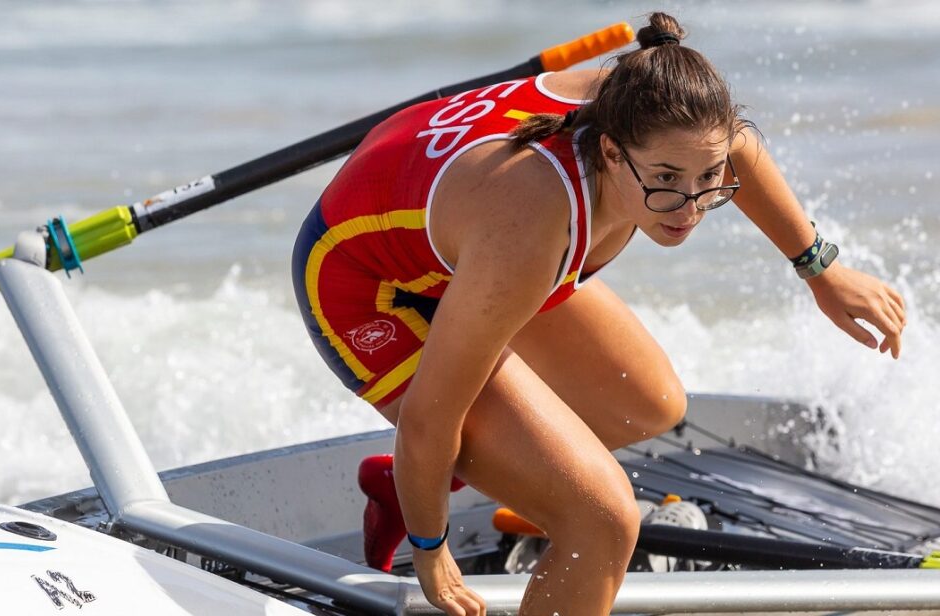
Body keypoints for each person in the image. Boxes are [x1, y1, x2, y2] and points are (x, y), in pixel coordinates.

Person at [292, 12, 906, 616]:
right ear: (610, 152)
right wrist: (430, 547)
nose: (689, 208)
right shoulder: (531, 230)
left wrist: (820, 269)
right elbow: (428, 422)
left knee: (647, 404)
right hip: (367, 281)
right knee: (603, 520)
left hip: (462, 235)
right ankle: (437, 487)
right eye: (666, 179)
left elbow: (735, 143)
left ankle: (416, 480)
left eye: (707, 179)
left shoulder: (652, 107)